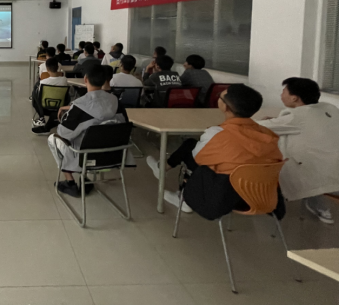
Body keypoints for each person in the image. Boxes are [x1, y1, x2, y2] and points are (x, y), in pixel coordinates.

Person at [146, 85, 283, 216]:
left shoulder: (217, 133)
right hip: (263, 199)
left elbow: (198, 158)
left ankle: (183, 197)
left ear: (225, 107)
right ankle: (162, 168)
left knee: (191, 150)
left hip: (222, 200)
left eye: (220, 97)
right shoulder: (268, 134)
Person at [257, 78, 339, 224]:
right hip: (332, 165)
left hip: (310, 168)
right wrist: (279, 121)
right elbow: (306, 124)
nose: (281, 95)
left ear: (294, 98)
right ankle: (318, 203)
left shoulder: (295, 116)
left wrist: (273, 122)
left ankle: (265, 199)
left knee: (271, 151)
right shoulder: (329, 108)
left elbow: (257, 126)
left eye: (284, 92)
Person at [48, 65, 127, 198]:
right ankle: (85, 179)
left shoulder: (80, 105)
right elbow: (123, 124)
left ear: (85, 79)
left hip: (86, 158)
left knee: (53, 138)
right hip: (114, 156)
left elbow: (64, 133)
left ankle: (70, 182)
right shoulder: (116, 102)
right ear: (105, 81)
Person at [32, 58, 69, 134]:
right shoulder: (64, 80)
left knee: (34, 94)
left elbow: (39, 95)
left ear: (47, 69)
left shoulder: (43, 82)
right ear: (58, 68)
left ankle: (41, 117)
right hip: (60, 105)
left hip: (44, 106)